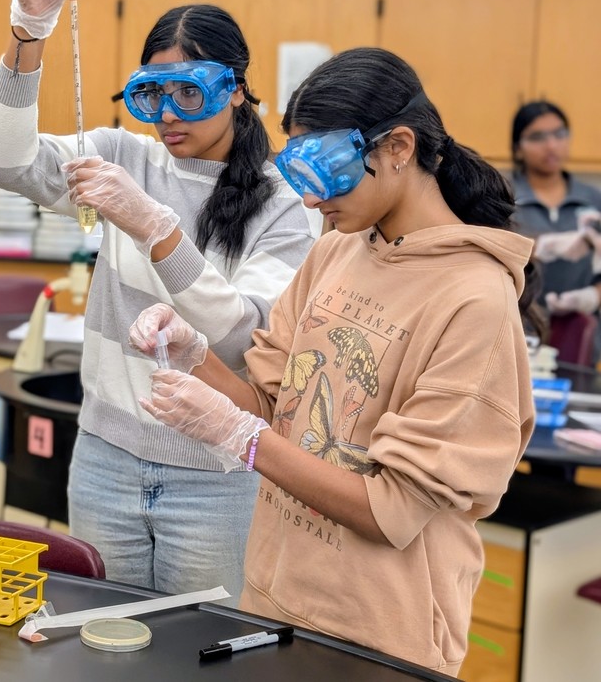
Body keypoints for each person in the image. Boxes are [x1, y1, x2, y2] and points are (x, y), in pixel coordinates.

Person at [128, 47, 535, 675]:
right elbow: (272, 405)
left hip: (379, 632)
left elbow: (390, 509)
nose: (314, 202)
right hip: (276, 596)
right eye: (298, 171)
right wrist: (197, 356)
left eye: (328, 170)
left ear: (397, 147)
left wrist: (242, 440)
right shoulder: (336, 251)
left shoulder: (473, 298)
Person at [0, 0, 319, 600]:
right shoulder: (121, 155)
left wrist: (156, 227)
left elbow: (243, 340)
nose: (167, 114)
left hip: (215, 475)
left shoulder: (286, 202)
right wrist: (30, 29)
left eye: (190, 92)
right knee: (104, 641)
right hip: (104, 458)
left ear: (238, 90)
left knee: (197, 651)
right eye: (152, 93)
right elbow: (4, 161)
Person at [508, 100, 601, 363]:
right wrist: (542, 246)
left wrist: (593, 296)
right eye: (537, 137)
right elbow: (484, 249)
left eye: (559, 134)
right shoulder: (503, 196)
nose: (551, 145)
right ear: (518, 147)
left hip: (577, 340)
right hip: (517, 333)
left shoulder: (593, 200)